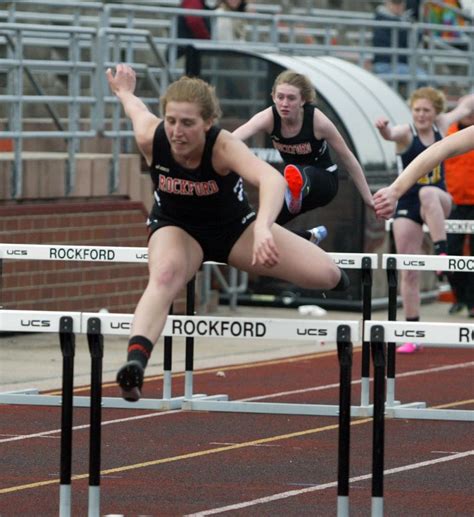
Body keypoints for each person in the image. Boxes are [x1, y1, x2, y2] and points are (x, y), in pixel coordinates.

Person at [106, 64, 350, 402]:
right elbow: (135, 107)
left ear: (208, 123)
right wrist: (125, 91)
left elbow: (272, 180)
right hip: (178, 228)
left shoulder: (222, 146)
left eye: (188, 123)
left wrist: (264, 228)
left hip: (235, 230)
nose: (177, 132)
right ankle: (135, 363)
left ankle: (307, 244)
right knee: (164, 276)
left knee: (329, 275)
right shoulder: (152, 135)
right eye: (172, 120)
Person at [374, 87, 474, 353]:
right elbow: (391, 135)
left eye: (426, 110)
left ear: (436, 113)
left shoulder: (443, 124)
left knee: (429, 193)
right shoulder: (407, 132)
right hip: (408, 200)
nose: (421, 115)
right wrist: (384, 130)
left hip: (439, 199)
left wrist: (468, 99)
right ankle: (412, 333)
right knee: (409, 270)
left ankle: (441, 251)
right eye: (417, 109)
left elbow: (465, 108)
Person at [232, 70, 374, 242]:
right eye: (280, 97)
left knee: (299, 173)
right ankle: (308, 237)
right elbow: (230, 141)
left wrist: (368, 198)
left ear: (303, 100)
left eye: (291, 98)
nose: (284, 103)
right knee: (257, 226)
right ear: (273, 97)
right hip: (293, 194)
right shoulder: (267, 118)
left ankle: (297, 185)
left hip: (324, 183)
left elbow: (348, 158)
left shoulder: (317, 121)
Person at [444, 115, 474, 317]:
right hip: (455, 204)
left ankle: (472, 302)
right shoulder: (449, 133)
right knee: (449, 252)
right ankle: (460, 296)